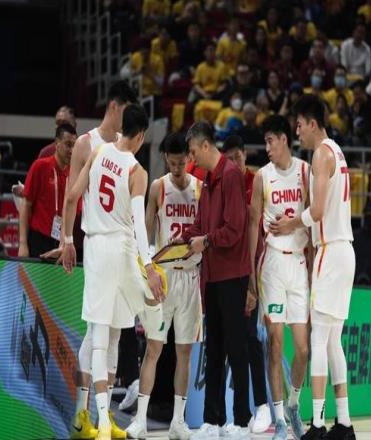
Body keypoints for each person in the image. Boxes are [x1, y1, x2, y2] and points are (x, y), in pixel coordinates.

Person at [62, 104, 165, 440]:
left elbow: (72, 197)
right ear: (141, 135)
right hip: (120, 250)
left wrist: (67, 239)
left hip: (95, 245)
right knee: (109, 332)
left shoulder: (99, 151)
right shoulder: (137, 171)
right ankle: (100, 421)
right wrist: (149, 266)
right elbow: (139, 225)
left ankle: (94, 417)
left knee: (108, 333)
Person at [58, 80, 137, 440]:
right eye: (125, 111)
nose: (127, 120)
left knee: (116, 331)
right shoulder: (87, 144)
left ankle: (102, 416)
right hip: (96, 244)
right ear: (113, 107)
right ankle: (81, 414)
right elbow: (71, 194)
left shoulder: (124, 147)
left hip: (121, 245)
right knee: (97, 330)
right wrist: (66, 239)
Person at [126, 132, 202, 439]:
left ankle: (178, 422)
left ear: (189, 158)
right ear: (165, 160)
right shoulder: (158, 186)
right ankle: (140, 420)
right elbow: (145, 232)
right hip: (164, 276)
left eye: (182, 163)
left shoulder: (200, 188)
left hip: (191, 277)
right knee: (154, 348)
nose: (177, 168)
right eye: (172, 164)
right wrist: (146, 271)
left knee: (184, 353)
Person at [288, 94, 356, 439]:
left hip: (331, 251)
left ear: (312, 123)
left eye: (300, 125)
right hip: (346, 251)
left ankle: (316, 423)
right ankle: (344, 423)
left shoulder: (320, 154)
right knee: (333, 343)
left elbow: (315, 212)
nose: (297, 132)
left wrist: (289, 224)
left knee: (319, 338)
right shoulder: (338, 151)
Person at [182, 122, 251, 440]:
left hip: (233, 276)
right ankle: (213, 421)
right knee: (214, 350)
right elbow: (200, 225)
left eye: (193, 151)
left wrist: (205, 241)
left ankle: (241, 421)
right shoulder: (208, 181)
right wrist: (181, 241)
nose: (191, 158)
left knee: (236, 349)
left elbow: (235, 229)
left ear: (206, 145)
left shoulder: (231, 175)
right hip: (211, 276)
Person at [248, 115, 310, 440]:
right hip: (271, 263)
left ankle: (294, 406)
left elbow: (314, 219)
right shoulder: (262, 176)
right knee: (274, 344)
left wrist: (313, 263)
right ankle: (280, 421)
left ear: (284, 139)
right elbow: (252, 226)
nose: (267, 148)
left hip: (298, 263)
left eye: (271, 141)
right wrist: (250, 274)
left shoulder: (305, 172)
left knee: (303, 349)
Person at [222, 135, 271, 434]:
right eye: (229, 159)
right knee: (234, 341)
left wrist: (253, 280)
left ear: (245, 155)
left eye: (237, 157)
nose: (234, 163)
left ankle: (262, 406)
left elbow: (258, 227)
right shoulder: (224, 184)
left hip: (254, 268)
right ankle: (241, 413)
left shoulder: (258, 181)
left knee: (252, 337)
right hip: (230, 270)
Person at [18, 124, 76, 258]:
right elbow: (26, 205)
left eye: (74, 146)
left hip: (61, 241)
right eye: (68, 145)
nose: (72, 150)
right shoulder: (40, 166)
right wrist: (22, 243)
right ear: (57, 143)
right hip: (38, 239)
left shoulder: (74, 174)